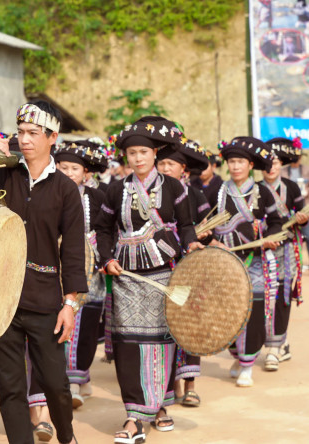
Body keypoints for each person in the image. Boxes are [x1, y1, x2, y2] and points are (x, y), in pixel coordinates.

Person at [0, 100, 84, 444]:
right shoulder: (2, 173)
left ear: (53, 137)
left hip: (45, 301)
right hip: (2, 300)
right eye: (20, 132)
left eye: (33, 133)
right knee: (10, 388)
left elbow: (72, 252)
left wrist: (70, 304)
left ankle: (67, 437)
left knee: (55, 383)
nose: (24, 140)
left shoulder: (65, 189)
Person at [95, 116, 203, 444]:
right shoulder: (116, 189)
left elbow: (185, 227)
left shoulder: (175, 188)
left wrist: (193, 243)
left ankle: (159, 406)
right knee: (129, 346)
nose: (138, 158)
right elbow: (102, 228)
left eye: (144, 151)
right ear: (125, 157)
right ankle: (134, 415)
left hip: (165, 276)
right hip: (126, 277)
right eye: (132, 153)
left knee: (161, 344)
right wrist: (107, 258)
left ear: (155, 153)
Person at [215, 137, 285, 387]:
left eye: (240, 162)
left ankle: (247, 364)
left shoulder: (262, 191)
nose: (235, 167)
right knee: (227, 313)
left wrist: (269, 238)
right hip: (224, 262)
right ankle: (236, 354)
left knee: (253, 312)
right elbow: (201, 222)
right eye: (231, 162)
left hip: (255, 263)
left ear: (250, 164)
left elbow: (276, 221)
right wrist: (211, 241)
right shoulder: (218, 190)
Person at [155, 138, 213, 408]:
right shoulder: (151, 193)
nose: (165, 168)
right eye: (162, 163)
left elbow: (207, 230)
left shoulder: (195, 195)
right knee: (166, 325)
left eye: (171, 164)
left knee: (190, 324)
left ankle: (190, 384)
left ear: (184, 171)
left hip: (189, 269)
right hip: (161, 269)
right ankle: (171, 384)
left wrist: (199, 236)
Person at [53, 139, 109, 409]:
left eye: (74, 169)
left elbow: (108, 231)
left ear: (86, 173)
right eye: (63, 168)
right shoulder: (49, 193)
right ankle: (70, 381)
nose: (68, 174)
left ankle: (77, 378)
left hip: (92, 274)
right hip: (58, 270)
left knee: (85, 326)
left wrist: (102, 256)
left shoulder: (98, 197)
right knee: (61, 321)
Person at [260, 137, 306, 371]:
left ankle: (275, 347)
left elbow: (302, 214)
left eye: (276, 163)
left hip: (287, 250)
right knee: (262, 296)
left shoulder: (292, 188)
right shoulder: (256, 189)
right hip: (260, 251)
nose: (272, 167)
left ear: (282, 165)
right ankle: (277, 341)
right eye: (267, 163)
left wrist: (301, 219)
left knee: (282, 297)